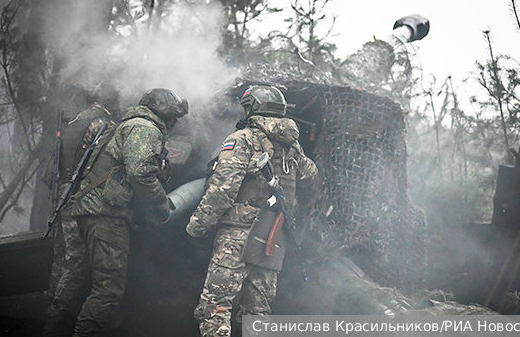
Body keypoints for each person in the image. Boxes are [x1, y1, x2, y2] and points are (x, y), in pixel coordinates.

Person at [186, 85, 318, 337]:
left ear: (253, 109)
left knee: (215, 308)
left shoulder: (243, 139)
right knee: (257, 314)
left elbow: (222, 191)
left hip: (239, 234)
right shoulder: (292, 146)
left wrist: (197, 226)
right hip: (272, 236)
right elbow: (310, 175)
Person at [70, 88, 188, 337]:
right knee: (108, 290)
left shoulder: (130, 125)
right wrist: (160, 207)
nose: (174, 124)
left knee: (107, 287)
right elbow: (140, 173)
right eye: (174, 117)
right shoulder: (145, 128)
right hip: (105, 215)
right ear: (164, 114)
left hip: (97, 211)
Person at [42, 102, 115, 337]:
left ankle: (51, 305)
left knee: (61, 256)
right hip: (74, 194)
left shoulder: (75, 120)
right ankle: (57, 319)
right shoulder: (102, 124)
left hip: (59, 192)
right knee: (77, 261)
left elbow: (51, 167)